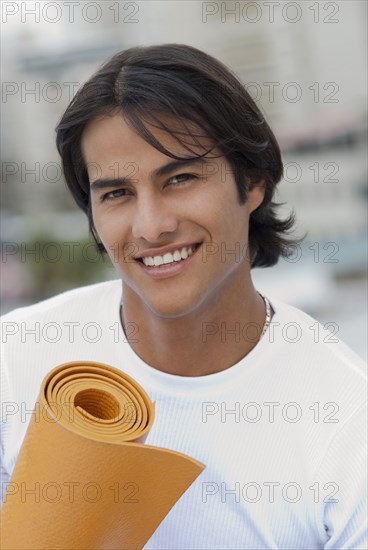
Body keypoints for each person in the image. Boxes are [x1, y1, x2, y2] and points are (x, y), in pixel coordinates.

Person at [1, 44, 366, 549]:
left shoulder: (347, 420)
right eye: (116, 193)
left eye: (180, 178)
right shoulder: (16, 359)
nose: (152, 227)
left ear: (252, 180)